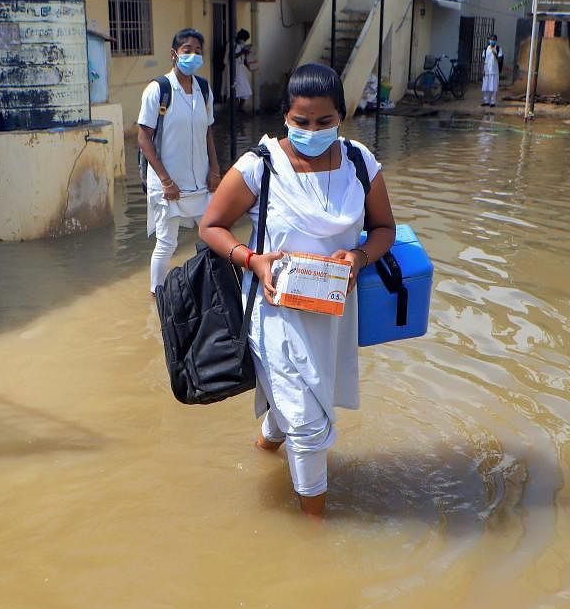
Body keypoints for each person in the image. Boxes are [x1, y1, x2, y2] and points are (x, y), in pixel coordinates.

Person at [199, 64, 398, 518]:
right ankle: (315, 532)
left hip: (332, 315)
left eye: (324, 122)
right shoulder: (260, 167)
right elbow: (211, 226)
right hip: (275, 313)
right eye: (301, 121)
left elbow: (384, 228)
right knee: (307, 426)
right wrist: (252, 259)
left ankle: (265, 446)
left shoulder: (360, 164)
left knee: (300, 397)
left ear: (342, 118)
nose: (312, 130)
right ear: (285, 117)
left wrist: (360, 257)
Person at [137, 28, 221, 294]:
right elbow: (143, 138)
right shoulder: (158, 90)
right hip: (168, 183)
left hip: (200, 180)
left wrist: (215, 170)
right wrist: (165, 181)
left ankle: (209, 290)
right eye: (187, 50)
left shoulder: (204, 89)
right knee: (167, 242)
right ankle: (157, 295)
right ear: (174, 54)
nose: (193, 56)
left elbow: (208, 131)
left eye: (198, 51)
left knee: (214, 233)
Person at [227, 29, 254, 113]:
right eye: (244, 39)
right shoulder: (233, 44)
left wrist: (249, 66)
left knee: (246, 90)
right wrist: (242, 52)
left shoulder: (241, 45)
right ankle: (235, 109)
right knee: (235, 89)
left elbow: (243, 59)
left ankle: (240, 108)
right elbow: (231, 56)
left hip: (241, 68)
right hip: (235, 69)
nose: (244, 41)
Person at [482, 34, 503, 107]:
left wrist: (495, 54)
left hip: (494, 71)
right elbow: (484, 59)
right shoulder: (485, 49)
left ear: (495, 41)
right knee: (486, 87)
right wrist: (483, 69)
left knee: (493, 87)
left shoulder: (498, 49)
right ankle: (486, 101)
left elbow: (500, 60)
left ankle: (493, 102)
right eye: (491, 39)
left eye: (493, 40)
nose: (492, 41)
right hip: (487, 71)